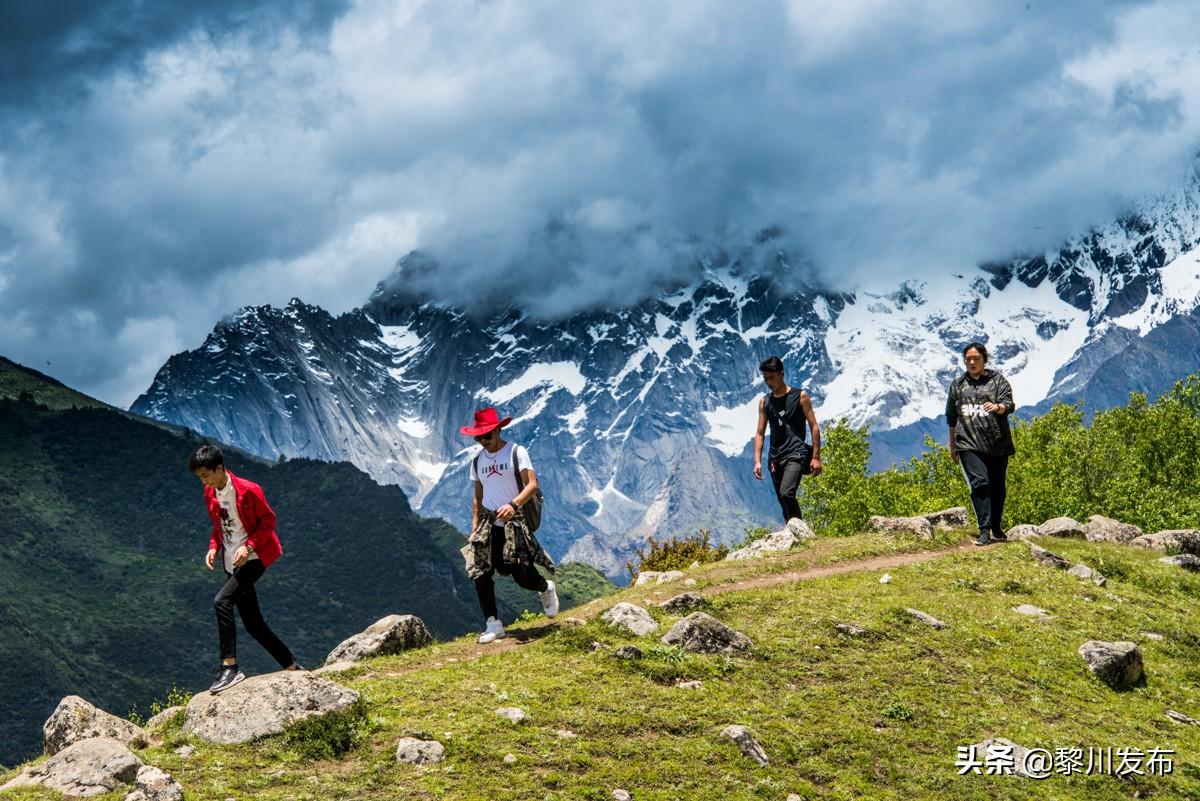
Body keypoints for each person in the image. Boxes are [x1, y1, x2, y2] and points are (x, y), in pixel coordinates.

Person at [188, 445, 302, 693]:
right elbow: (219, 527)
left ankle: (230, 668)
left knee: (222, 601)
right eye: (200, 477)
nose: (203, 482)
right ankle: (292, 666)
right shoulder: (210, 494)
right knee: (254, 624)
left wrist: (248, 547)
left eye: (206, 475)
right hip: (232, 562)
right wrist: (213, 548)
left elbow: (269, 521)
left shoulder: (249, 490)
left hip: (255, 557)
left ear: (220, 468)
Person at [459, 407, 558, 644]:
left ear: (498, 430)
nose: (483, 442)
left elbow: (532, 484)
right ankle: (493, 624)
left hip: (514, 522)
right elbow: (478, 496)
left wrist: (513, 505)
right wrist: (474, 526)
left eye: (487, 436)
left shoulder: (516, 452)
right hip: (489, 523)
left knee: (521, 574)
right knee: (480, 572)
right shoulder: (477, 461)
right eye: (478, 438)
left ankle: (545, 587)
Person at [946, 342, 1016, 546]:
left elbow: (1010, 404)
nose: (972, 362)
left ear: (984, 359)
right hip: (967, 443)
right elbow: (951, 417)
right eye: (968, 359)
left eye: (976, 358)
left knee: (997, 487)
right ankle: (984, 530)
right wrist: (953, 446)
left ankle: (996, 526)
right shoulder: (957, 386)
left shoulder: (998, 381)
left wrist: (998, 407)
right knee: (980, 483)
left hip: (997, 444)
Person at [753, 356, 822, 523]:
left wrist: (816, 457)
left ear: (781, 374)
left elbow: (814, 426)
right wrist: (757, 461)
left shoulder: (800, 396)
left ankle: (801, 532)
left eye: (772, 377)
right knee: (783, 501)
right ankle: (794, 537)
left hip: (796, 454)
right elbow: (760, 433)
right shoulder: (765, 402)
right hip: (775, 458)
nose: (769, 382)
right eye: (766, 379)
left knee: (786, 493)